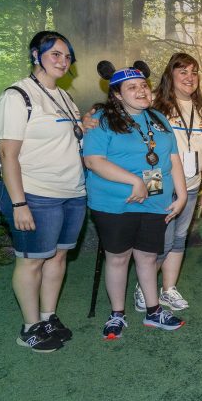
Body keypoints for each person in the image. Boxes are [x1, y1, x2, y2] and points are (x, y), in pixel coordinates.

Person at [0, 31, 85, 352]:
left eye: (67, 55)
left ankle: (47, 317)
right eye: (55, 54)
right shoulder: (17, 96)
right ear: (36, 55)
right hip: (34, 194)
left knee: (58, 257)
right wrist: (19, 203)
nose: (63, 61)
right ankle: (30, 328)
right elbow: (8, 155)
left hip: (72, 192)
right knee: (31, 261)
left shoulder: (63, 96)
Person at [83, 61, 187, 340]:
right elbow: (93, 161)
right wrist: (134, 181)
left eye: (143, 85)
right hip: (115, 203)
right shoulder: (101, 120)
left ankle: (153, 311)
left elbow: (172, 158)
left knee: (148, 256)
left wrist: (183, 193)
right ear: (117, 94)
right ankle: (117, 314)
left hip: (155, 200)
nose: (141, 91)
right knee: (118, 258)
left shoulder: (158, 119)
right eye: (132, 87)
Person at [132, 52, 202, 312]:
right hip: (160, 184)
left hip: (191, 186)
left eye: (194, 72)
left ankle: (168, 289)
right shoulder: (153, 104)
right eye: (183, 72)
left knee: (179, 240)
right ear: (171, 75)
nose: (189, 78)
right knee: (160, 241)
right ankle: (143, 289)